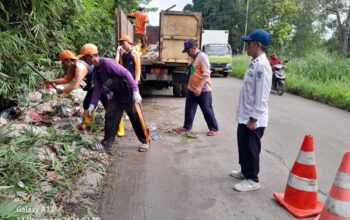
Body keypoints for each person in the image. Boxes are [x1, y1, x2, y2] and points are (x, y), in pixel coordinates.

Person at [78, 43, 150, 152]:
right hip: (116, 95)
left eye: (84, 58)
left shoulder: (106, 63)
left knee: (135, 117)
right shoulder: (96, 71)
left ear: (90, 56)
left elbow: (126, 73)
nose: (83, 60)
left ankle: (145, 141)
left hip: (128, 92)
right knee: (110, 115)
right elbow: (97, 88)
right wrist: (93, 104)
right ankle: (107, 143)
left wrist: (135, 91)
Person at [229, 29, 272, 192]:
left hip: (253, 119)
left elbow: (262, 95)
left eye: (249, 43)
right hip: (245, 116)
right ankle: (244, 172)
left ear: (257, 45)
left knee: (251, 148)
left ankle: (253, 179)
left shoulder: (261, 66)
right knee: (243, 145)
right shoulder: (255, 62)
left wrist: (254, 119)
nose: (247, 46)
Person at [45, 50, 108, 130]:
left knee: (108, 105)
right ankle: (88, 124)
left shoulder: (80, 67)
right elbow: (67, 80)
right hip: (93, 87)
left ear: (68, 60)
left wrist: (63, 91)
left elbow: (74, 85)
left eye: (63, 62)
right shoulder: (72, 66)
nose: (63, 65)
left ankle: (117, 125)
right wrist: (52, 81)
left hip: (102, 85)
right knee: (87, 104)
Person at [175, 39, 219, 136]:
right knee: (189, 109)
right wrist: (189, 72)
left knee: (207, 109)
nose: (187, 53)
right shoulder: (192, 57)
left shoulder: (203, 57)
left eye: (188, 51)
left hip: (203, 89)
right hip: (192, 88)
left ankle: (213, 128)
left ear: (194, 48)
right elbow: (193, 68)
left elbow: (206, 74)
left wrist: (199, 87)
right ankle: (186, 127)